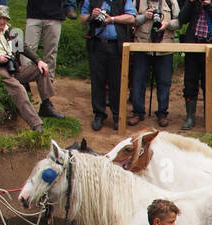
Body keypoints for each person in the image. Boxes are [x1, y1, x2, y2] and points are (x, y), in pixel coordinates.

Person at [0, 6, 66, 133]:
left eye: (4, 19)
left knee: (40, 69)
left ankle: (46, 105)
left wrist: (38, 61)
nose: (2, 22)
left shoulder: (11, 31)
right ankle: (36, 124)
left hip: (12, 66)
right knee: (18, 88)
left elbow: (23, 47)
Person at [81, 0, 138, 131]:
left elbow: (131, 18)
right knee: (97, 81)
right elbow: (82, 19)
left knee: (117, 82)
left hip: (116, 46)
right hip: (97, 44)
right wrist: (92, 16)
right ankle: (99, 115)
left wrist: (112, 19)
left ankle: (118, 115)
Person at [176, 0, 212, 131]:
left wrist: (209, 6)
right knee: (190, 83)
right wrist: (190, 3)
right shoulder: (193, 3)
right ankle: (190, 117)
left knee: (209, 84)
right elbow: (181, 19)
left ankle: (208, 117)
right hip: (193, 46)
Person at [129, 0, 179, 127]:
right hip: (142, 46)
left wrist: (167, 24)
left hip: (165, 47)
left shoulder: (171, 1)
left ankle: (162, 114)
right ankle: (137, 112)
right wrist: (144, 17)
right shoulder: (139, 1)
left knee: (164, 82)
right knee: (138, 81)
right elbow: (131, 19)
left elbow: (179, 21)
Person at [25, 0, 67, 78]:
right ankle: (25, 79)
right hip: (33, 14)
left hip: (55, 14)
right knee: (28, 49)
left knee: (51, 51)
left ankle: (49, 80)